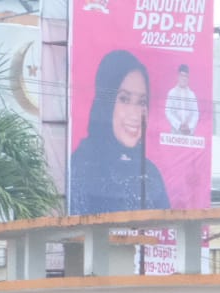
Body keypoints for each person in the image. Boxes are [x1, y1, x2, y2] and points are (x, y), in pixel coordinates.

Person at [68, 50, 171, 214]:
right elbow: (75, 232)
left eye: (141, 102)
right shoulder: (82, 167)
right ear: (105, 106)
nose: (135, 113)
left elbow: (170, 232)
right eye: (124, 99)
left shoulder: (150, 174)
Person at [164, 64, 198, 135]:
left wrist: (189, 126)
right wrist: (179, 125)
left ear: (188, 78)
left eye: (186, 76)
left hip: (189, 133)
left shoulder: (192, 95)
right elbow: (168, 112)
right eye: (182, 75)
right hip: (175, 132)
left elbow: (195, 114)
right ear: (178, 77)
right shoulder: (172, 93)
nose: (184, 78)